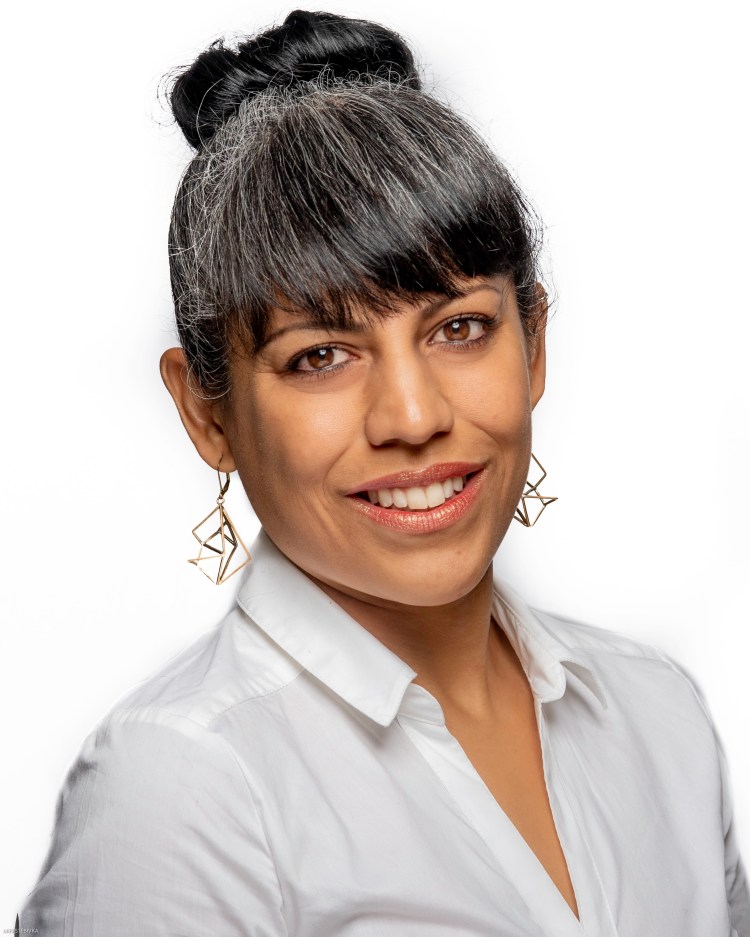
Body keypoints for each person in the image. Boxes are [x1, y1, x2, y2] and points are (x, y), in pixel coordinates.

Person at [16, 9, 749, 936]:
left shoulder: (658, 712)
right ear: (207, 412)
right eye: (320, 355)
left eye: (459, 328)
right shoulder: (183, 783)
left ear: (534, 347)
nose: (413, 417)